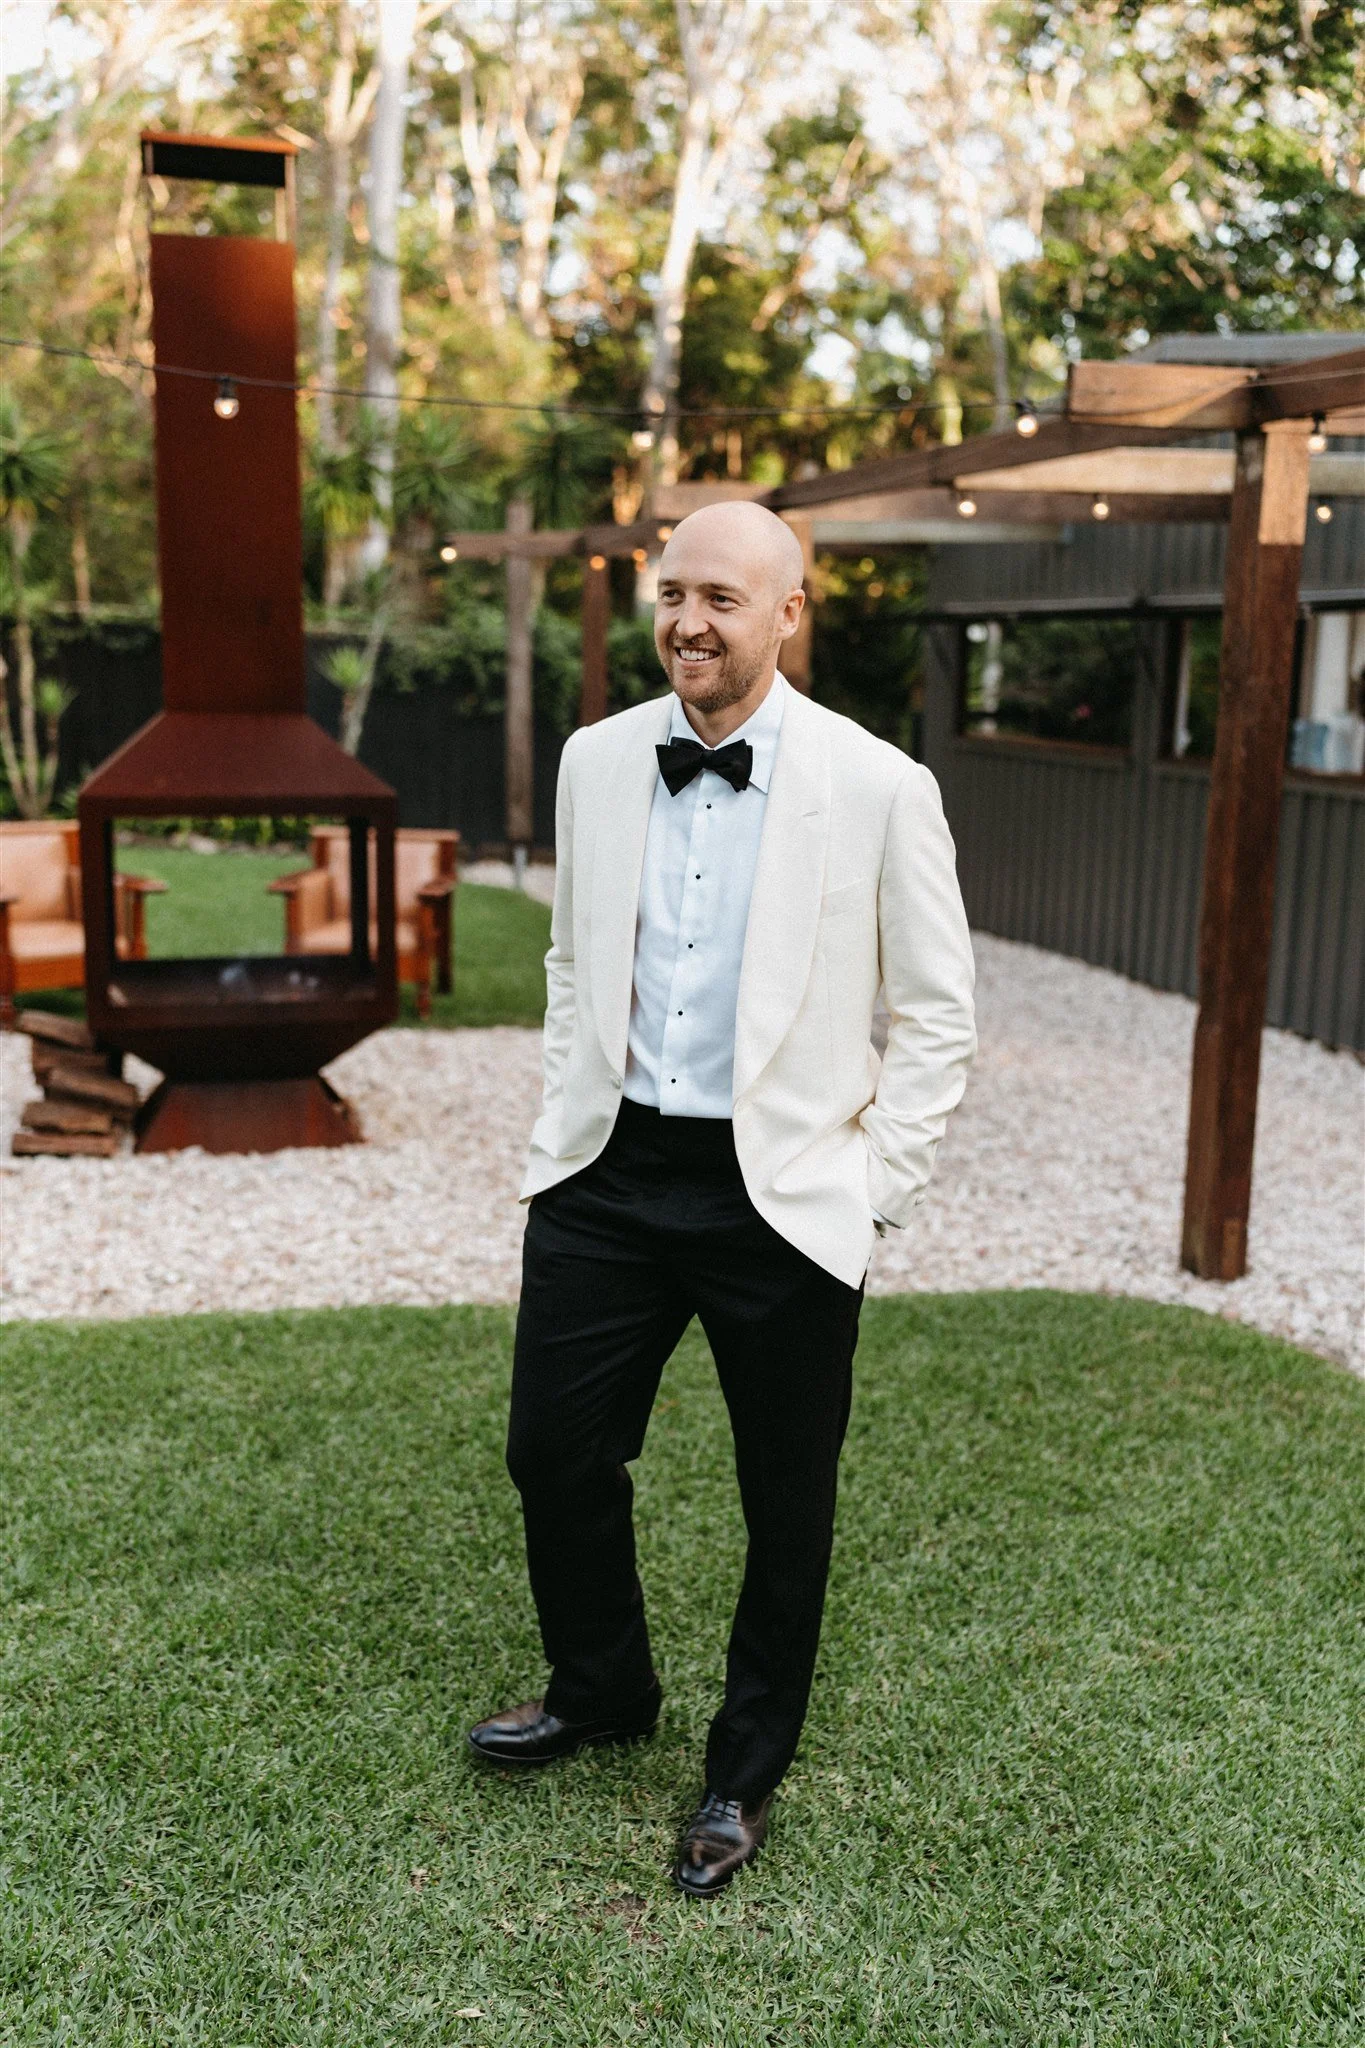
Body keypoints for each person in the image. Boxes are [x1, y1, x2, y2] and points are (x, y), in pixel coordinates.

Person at [469, 501, 976, 1897]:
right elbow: (574, 963)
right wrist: (564, 1118)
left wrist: (873, 1195)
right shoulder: (593, 760)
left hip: (787, 1195)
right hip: (609, 1173)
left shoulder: (880, 787)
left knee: (785, 1502)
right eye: (673, 593)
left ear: (789, 614)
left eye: (723, 599)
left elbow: (939, 1015)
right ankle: (602, 1689)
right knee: (554, 1451)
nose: (689, 623)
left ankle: (742, 1774)